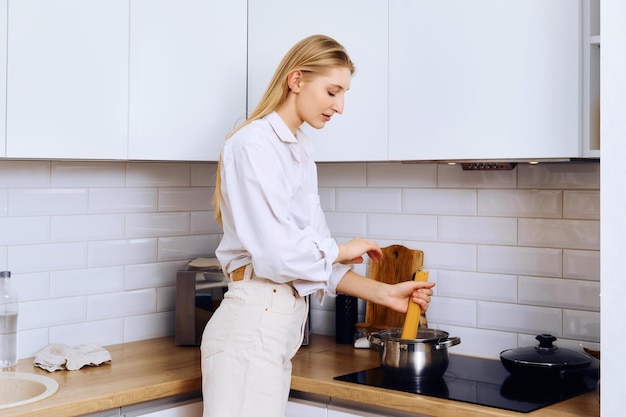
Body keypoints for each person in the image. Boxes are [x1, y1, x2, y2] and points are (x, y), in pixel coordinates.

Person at [201, 34, 435, 417]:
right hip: (251, 324)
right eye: (332, 91)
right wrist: (345, 248)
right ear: (296, 81)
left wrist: (386, 294)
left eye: (344, 94)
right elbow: (278, 255)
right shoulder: (253, 144)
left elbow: (311, 260)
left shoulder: (299, 151)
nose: (340, 106)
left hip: (274, 328)